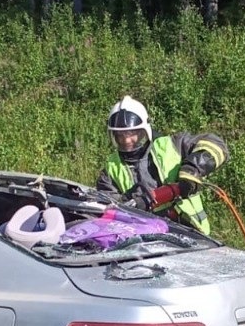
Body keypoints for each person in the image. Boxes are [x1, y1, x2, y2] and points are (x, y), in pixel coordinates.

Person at [96, 95, 228, 235]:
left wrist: (192, 170)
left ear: (144, 131)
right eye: (120, 135)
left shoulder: (172, 146)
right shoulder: (110, 169)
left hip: (191, 233)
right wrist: (133, 202)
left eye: (132, 133)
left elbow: (217, 145)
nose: (127, 140)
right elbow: (109, 208)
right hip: (143, 240)